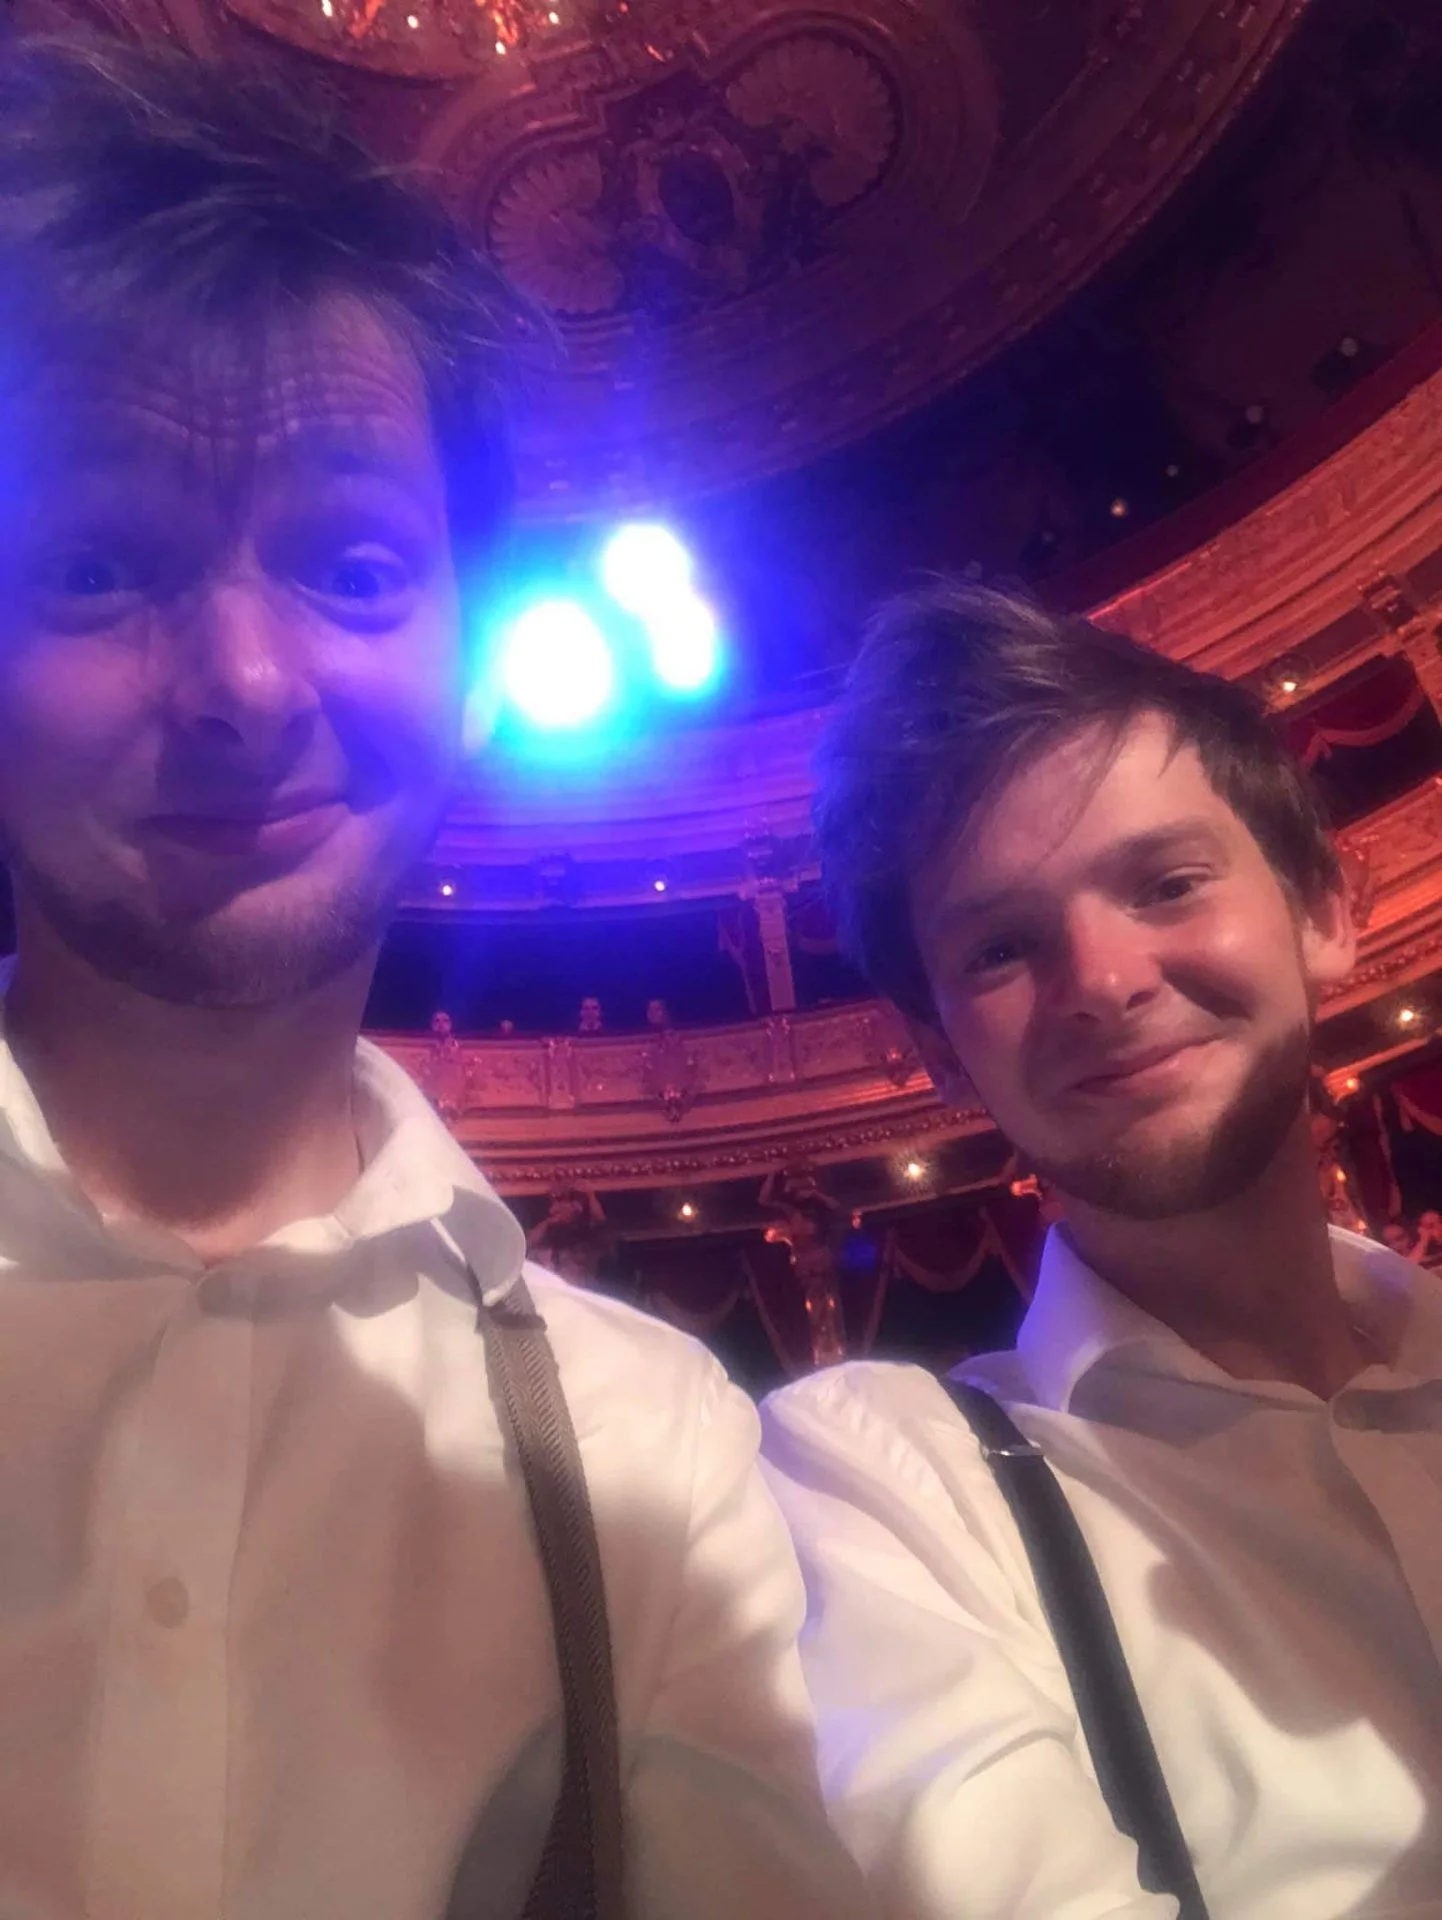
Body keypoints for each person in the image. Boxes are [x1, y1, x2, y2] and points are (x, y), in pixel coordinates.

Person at [0, 38, 871, 1920]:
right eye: (96, 568)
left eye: (356, 564)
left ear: (475, 654)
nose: (242, 680)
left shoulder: (650, 1451)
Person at [761, 581, 1442, 1918]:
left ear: (1320, 910)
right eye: (1004, 947)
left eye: (1167, 883)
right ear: (938, 1055)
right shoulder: (887, 1486)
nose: (1103, 980)